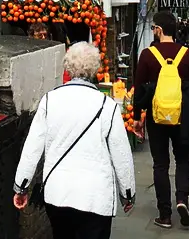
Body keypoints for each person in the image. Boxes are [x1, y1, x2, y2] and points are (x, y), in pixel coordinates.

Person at [13, 42, 136, 238]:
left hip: (58, 193)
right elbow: (121, 154)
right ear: (95, 68)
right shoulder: (107, 105)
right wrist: (128, 193)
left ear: (68, 68)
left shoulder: (49, 100)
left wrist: (21, 186)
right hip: (96, 196)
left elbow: (32, 148)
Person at [132, 11, 189, 229]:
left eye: (153, 28)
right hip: (182, 117)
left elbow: (139, 89)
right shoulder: (187, 54)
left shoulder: (147, 54)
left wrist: (136, 118)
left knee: (160, 164)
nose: (153, 31)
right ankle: (182, 200)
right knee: (183, 160)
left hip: (156, 117)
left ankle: (165, 214)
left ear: (159, 30)